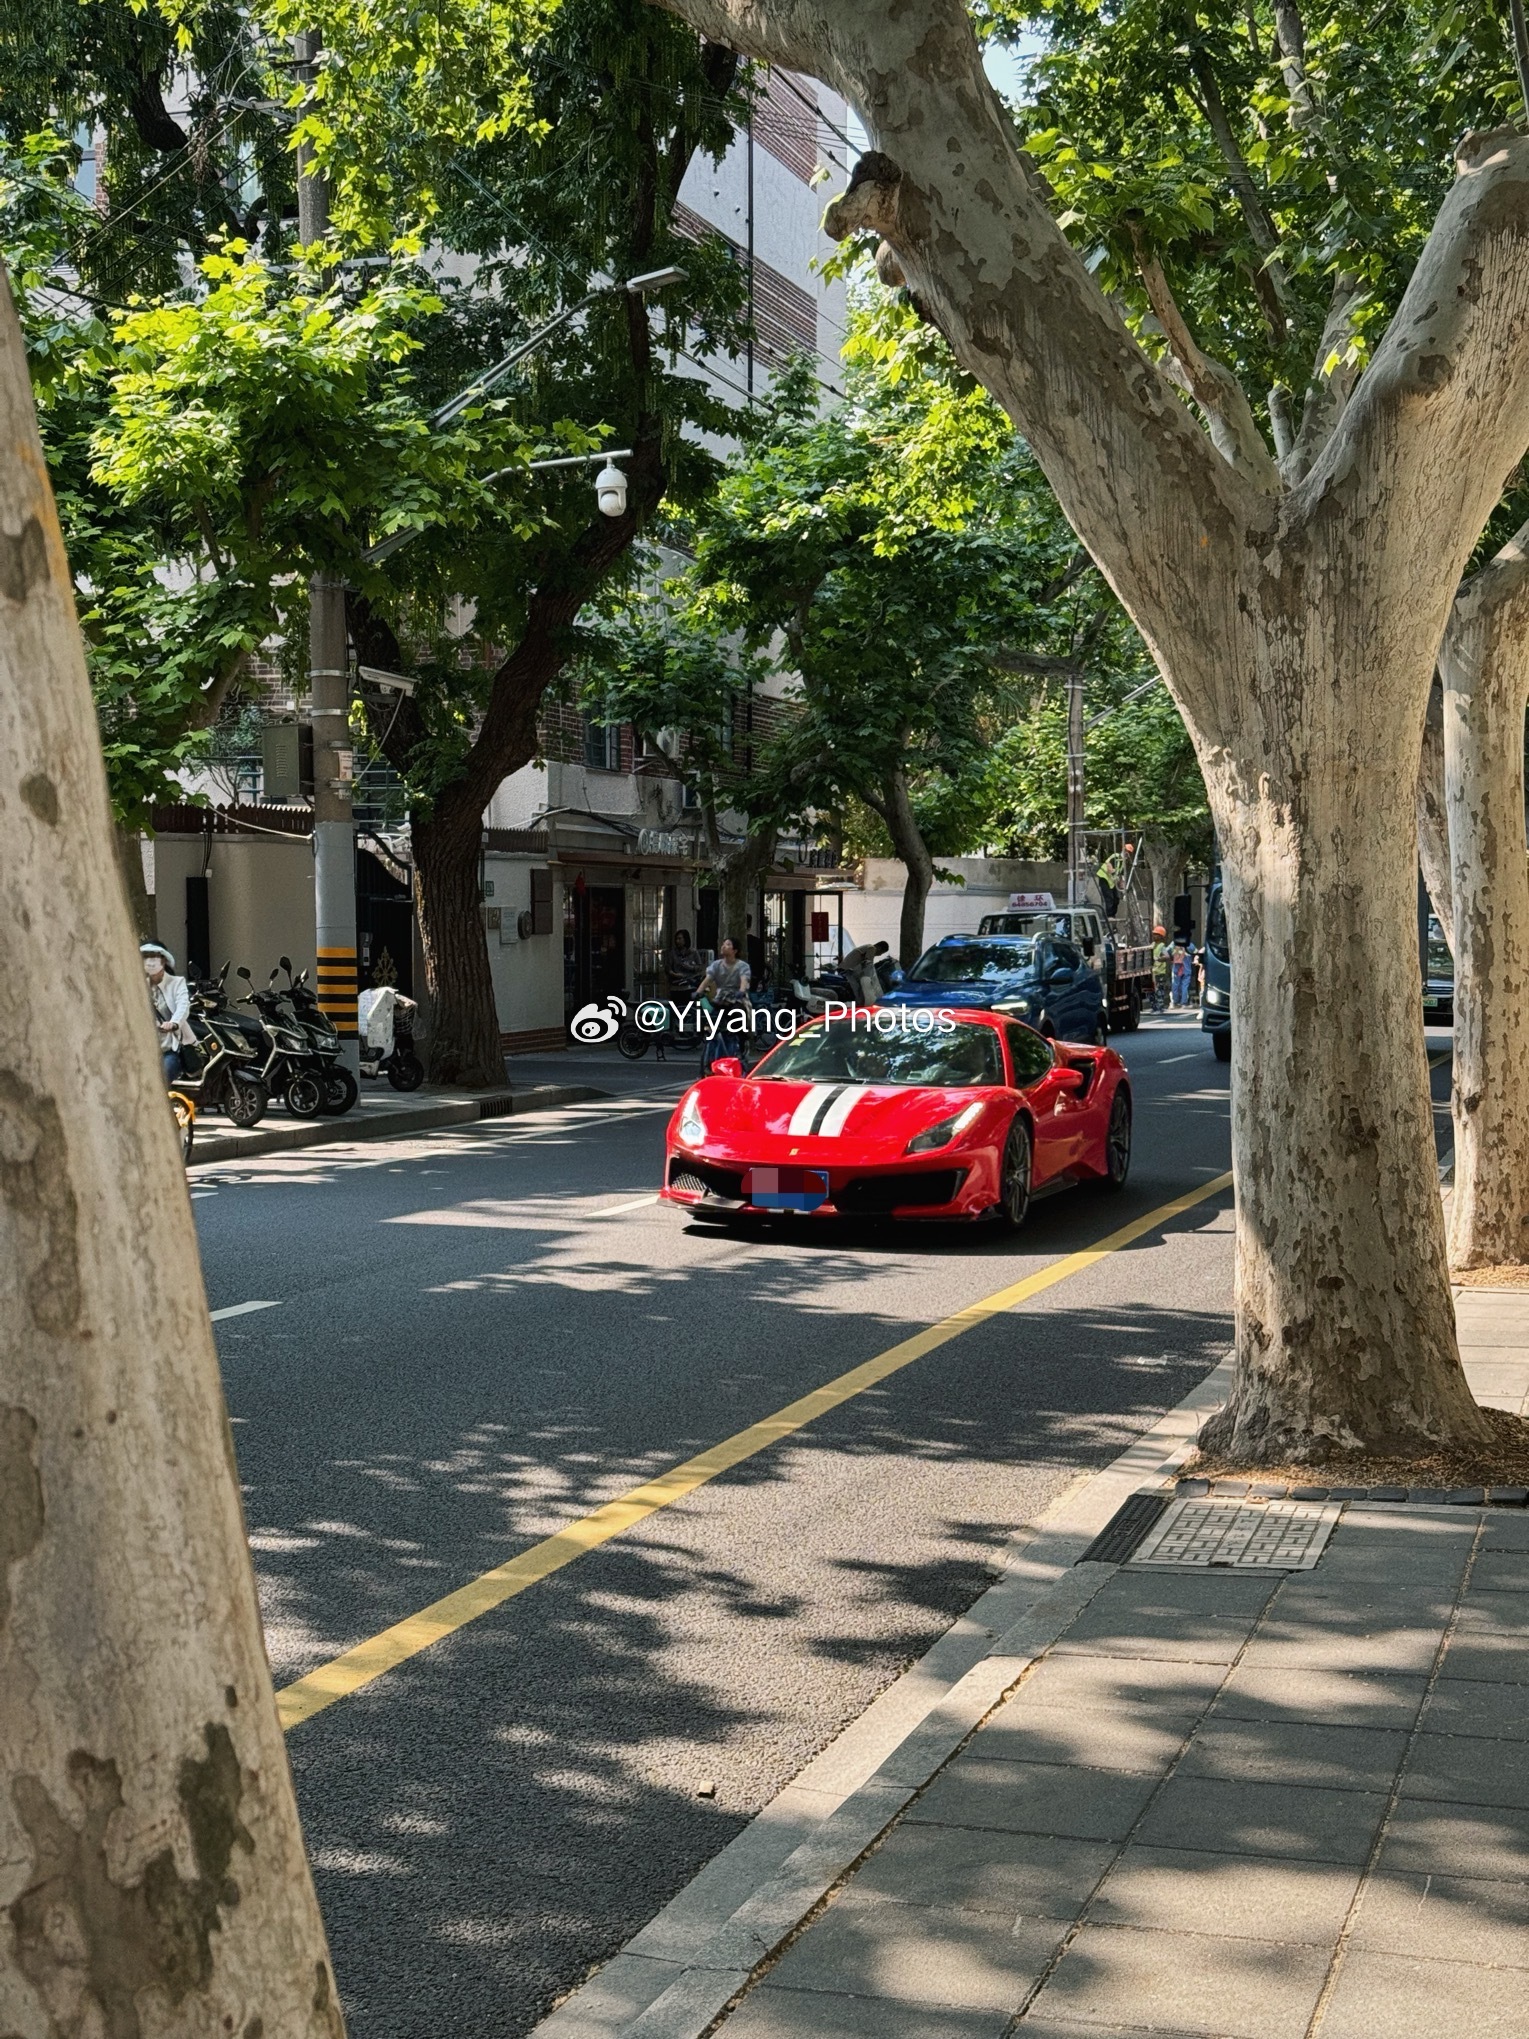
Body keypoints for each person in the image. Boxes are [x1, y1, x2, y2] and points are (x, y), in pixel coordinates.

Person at [699, 934, 751, 1072]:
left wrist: (741, 990)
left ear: (735, 951)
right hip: (720, 999)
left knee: (738, 1018)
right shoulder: (716, 965)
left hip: (736, 999)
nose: (724, 946)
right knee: (711, 1023)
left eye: (728, 945)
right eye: (723, 944)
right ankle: (708, 1061)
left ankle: (740, 1047)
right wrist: (698, 992)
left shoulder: (742, 966)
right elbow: (708, 979)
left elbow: (744, 980)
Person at [142, 942, 193, 1081]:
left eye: (154, 957)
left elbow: (183, 1005)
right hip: (142, 1051)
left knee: (161, 1080)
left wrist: (174, 1023)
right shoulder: (138, 986)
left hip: (168, 1051)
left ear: (163, 960)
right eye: (145, 958)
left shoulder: (176, 983)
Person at [664, 929, 704, 999]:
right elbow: (668, 968)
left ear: (685, 939)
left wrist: (690, 967)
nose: (677, 941)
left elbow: (700, 968)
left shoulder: (693, 952)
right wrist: (674, 974)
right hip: (676, 986)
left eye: (680, 939)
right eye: (676, 939)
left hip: (689, 986)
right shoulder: (673, 953)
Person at [1171, 934, 1196, 1009]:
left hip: (1176, 968)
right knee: (1184, 985)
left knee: (1175, 984)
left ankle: (1175, 1002)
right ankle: (1183, 1003)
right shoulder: (1190, 945)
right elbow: (1196, 951)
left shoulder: (1174, 944)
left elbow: (1167, 952)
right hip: (1186, 968)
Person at [1151, 927, 1172, 1013]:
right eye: (1154, 934)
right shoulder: (1153, 945)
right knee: (1152, 991)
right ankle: (1154, 1007)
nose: (1154, 936)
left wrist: (1158, 959)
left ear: (1160, 936)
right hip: (1153, 971)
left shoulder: (1162, 946)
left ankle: (1160, 1007)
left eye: (1156, 934)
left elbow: (1167, 956)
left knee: (1159, 990)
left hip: (1160, 971)